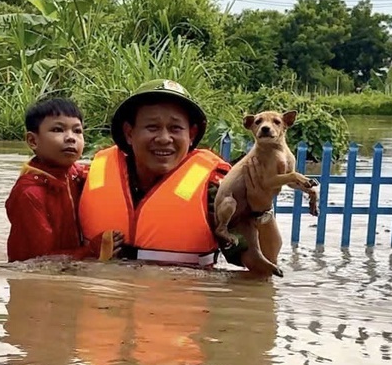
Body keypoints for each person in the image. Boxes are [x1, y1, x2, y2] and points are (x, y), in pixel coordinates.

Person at [78, 79, 279, 269]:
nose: (164, 138)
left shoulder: (215, 190)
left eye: (175, 128)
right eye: (152, 127)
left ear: (191, 135)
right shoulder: (88, 176)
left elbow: (265, 264)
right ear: (129, 133)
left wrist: (262, 212)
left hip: (180, 298)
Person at [5, 98, 123, 262]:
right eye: (58, 130)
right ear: (33, 141)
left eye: (77, 131)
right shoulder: (29, 194)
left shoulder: (78, 175)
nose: (70, 138)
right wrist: (92, 250)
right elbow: (37, 262)